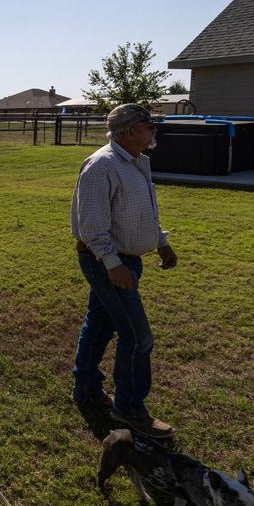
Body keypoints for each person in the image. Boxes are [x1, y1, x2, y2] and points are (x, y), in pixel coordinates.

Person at [70, 104, 178, 439]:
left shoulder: (137, 163)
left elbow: (144, 211)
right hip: (107, 262)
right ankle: (129, 409)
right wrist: (113, 264)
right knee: (138, 336)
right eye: (149, 125)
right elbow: (91, 226)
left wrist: (160, 241)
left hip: (126, 260)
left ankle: (86, 388)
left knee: (99, 325)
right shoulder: (102, 165)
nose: (153, 130)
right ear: (130, 131)